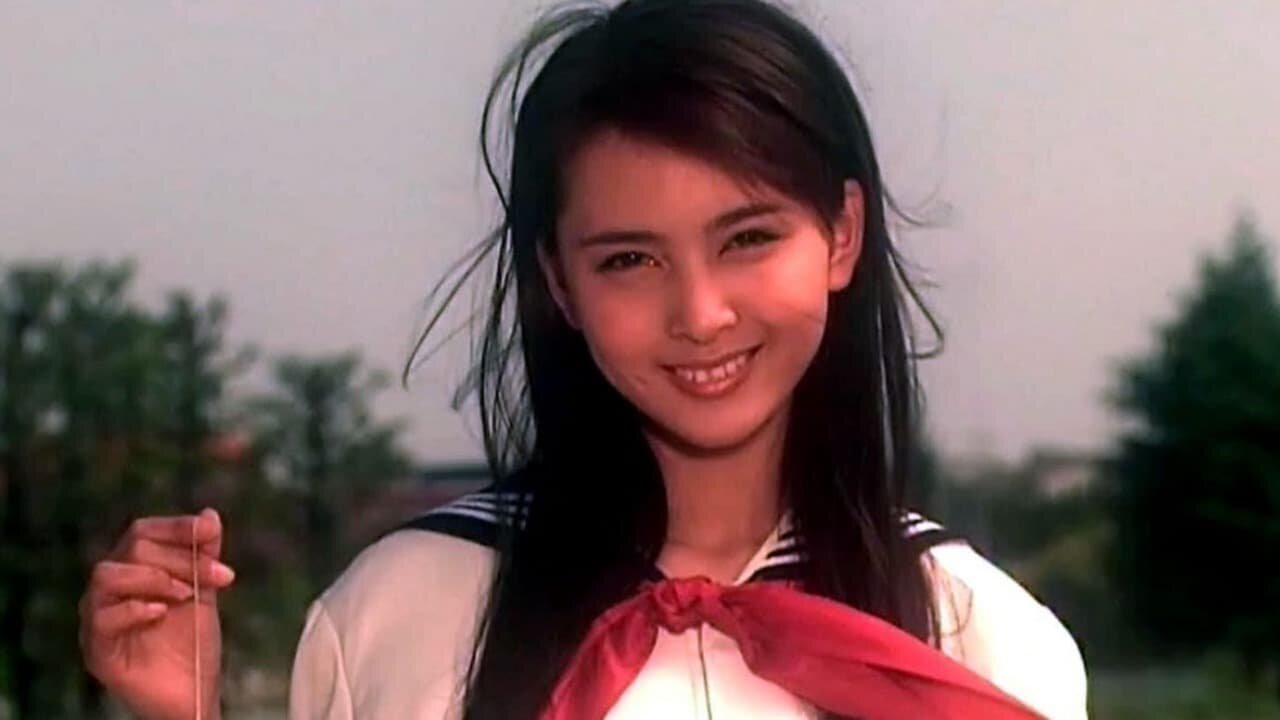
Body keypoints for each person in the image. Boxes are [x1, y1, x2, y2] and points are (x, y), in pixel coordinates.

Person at [79, 0, 1089, 718]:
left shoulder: (987, 638)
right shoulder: (398, 614)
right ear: (558, 283)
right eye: (628, 260)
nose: (700, 314)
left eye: (747, 239)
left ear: (841, 234)